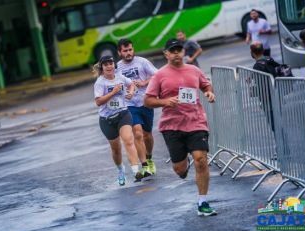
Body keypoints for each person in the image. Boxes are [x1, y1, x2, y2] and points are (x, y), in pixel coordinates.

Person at [144, 38, 217, 216]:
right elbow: (147, 100)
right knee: (180, 169)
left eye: (179, 49)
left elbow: (205, 84)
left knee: (200, 160)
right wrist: (165, 102)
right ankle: (182, 169)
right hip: (172, 126)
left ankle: (203, 202)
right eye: (172, 50)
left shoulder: (194, 70)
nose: (176, 53)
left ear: (183, 52)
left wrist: (208, 92)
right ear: (166, 54)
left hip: (196, 121)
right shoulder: (160, 75)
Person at [93, 55, 144, 185]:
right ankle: (120, 170)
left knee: (128, 140)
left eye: (111, 63)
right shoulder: (100, 82)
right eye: (106, 64)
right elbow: (98, 102)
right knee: (116, 150)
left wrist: (131, 92)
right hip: (107, 119)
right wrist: (113, 92)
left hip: (123, 114)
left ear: (114, 65)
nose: (109, 66)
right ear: (102, 67)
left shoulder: (120, 77)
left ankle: (135, 170)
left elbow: (131, 83)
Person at [117, 38, 157, 176]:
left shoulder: (142, 62)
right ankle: (144, 165)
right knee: (138, 133)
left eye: (130, 50)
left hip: (146, 101)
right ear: (119, 52)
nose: (128, 53)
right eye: (125, 51)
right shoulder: (117, 68)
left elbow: (157, 76)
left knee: (147, 135)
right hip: (130, 104)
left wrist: (144, 82)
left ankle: (150, 158)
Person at [250, 41, 276, 133]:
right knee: (278, 124)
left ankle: (282, 146)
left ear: (252, 53)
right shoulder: (269, 59)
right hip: (277, 95)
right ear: (263, 50)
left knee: (274, 126)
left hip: (268, 101)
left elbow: (261, 85)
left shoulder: (257, 66)